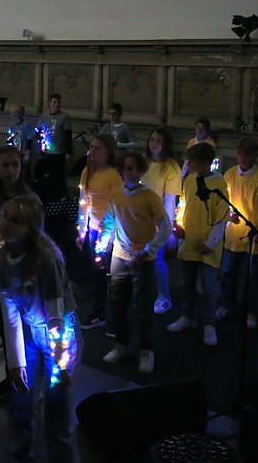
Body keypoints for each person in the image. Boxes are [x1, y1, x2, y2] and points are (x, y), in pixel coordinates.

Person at [0, 196, 80, 463]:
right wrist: (15, 362)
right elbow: (10, 317)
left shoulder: (45, 260)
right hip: (30, 332)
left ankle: (61, 457)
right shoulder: (1, 260)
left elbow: (56, 318)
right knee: (21, 400)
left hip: (58, 335)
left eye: (15, 221)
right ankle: (19, 456)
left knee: (56, 412)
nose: (6, 224)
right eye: (5, 216)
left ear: (30, 229)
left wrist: (61, 363)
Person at [0, 145, 41, 404]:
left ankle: (34, 378)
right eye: (5, 165)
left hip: (25, 271)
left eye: (15, 165)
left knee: (29, 328)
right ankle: (12, 374)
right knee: (7, 327)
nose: (10, 170)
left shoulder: (30, 200)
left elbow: (38, 239)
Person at [102, 152, 170, 373]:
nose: (131, 173)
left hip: (143, 260)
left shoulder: (150, 197)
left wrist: (147, 250)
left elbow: (165, 227)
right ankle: (121, 344)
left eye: (134, 169)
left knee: (143, 308)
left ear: (141, 171)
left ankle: (146, 350)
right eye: (126, 168)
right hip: (120, 258)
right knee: (117, 303)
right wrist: (103, 242)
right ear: (121, 171)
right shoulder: (116, 194)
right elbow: (110, 219)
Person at [167, 143, 228, 347]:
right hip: (190, 241)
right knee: (187, 282)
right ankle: (187, 316)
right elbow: (183, 204)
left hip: (209, 245)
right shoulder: (190, 180)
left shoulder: (219, 183)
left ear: (203, 163)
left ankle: (209, 324)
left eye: (192, 162)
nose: (189, 165)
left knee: (209, 287)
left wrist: (211, 243)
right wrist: (179, 224)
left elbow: (221, 217)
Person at [217, 137, 258, 329]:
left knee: (252, 278)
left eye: (247, 154)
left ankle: (250, 311)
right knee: (228, 273)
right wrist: (228, 216)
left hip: (254, 241)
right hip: (232, 238)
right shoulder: (229, 175)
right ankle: (227, 305)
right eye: (240, 153)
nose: (243, 157)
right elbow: (221, 203)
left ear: (255, 156)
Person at [76, 134, 122, 330]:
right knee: (97, 274)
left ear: (108, 152)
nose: (92, 151)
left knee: (108, 276)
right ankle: (100, 311)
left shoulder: (114, 175)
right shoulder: (88, 171)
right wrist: (82, 230)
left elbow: (115, 208)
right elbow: (83, 202)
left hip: (110, 233)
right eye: (92, 147)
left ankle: (106, 314)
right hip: (93, 230)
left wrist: (106, 240)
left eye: (98, 148)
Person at [140, 127, 180, 314]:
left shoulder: (171, 167)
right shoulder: (143, 162)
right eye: (152, 139)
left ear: (165, 144)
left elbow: (170, 201)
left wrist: (167, 228)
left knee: (156, 260)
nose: (154, 143)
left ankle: (164, 296)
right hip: (139, 219)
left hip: (158, 222)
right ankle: (145, 293)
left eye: (158, 140)